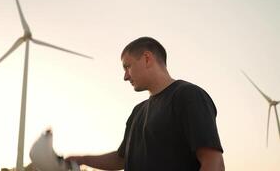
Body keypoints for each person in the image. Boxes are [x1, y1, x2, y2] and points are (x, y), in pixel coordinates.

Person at [66, 37, 225, 171]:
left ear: (147, 58)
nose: (125, 77)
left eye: (128, 66)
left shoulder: (188, 95)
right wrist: (82, 159)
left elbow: (214, 161)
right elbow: (121, 159)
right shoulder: (138, 111)